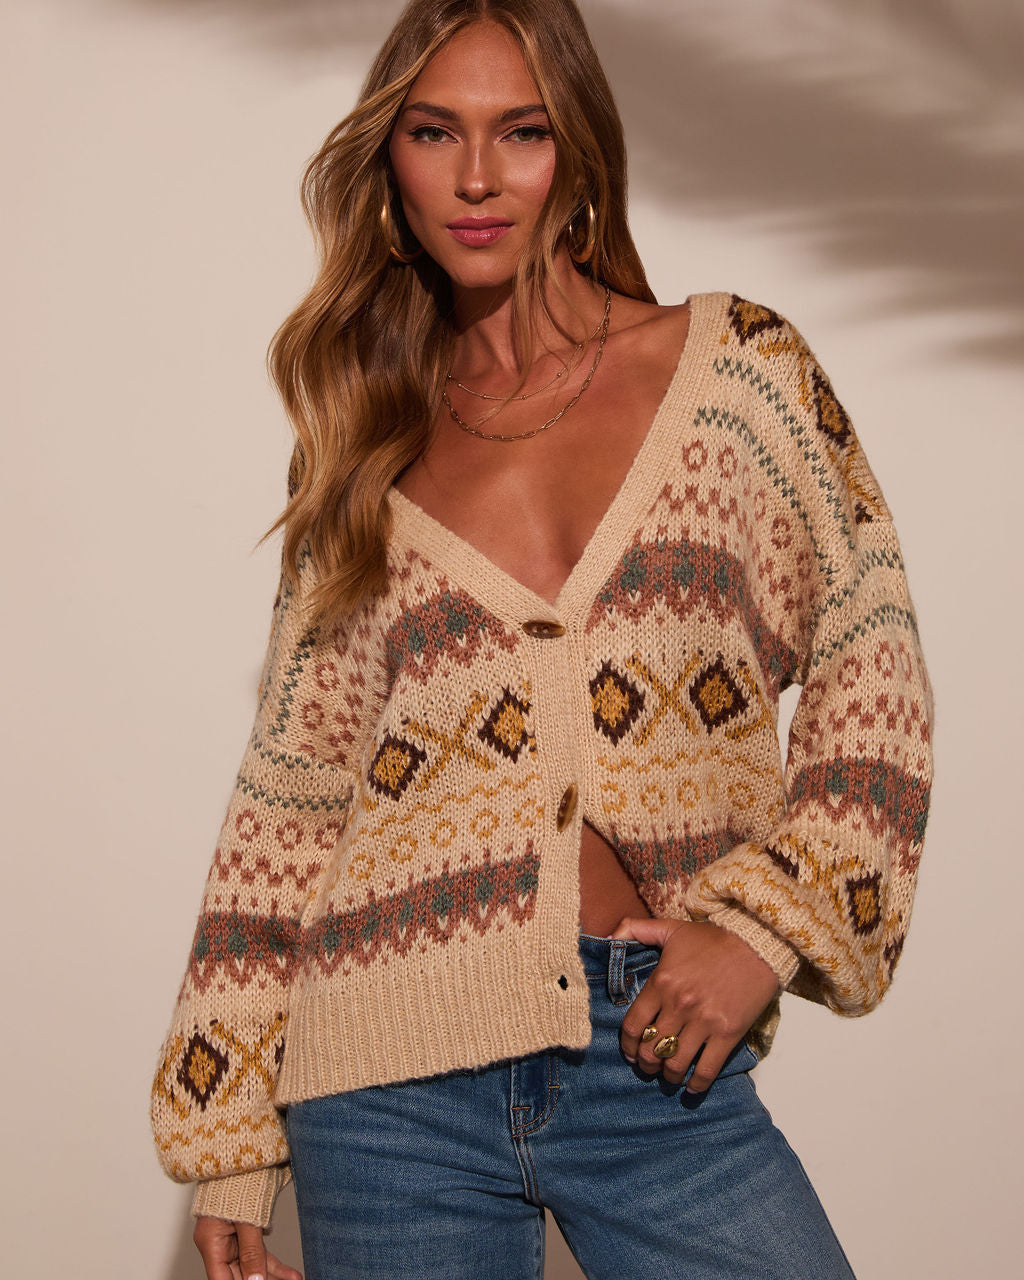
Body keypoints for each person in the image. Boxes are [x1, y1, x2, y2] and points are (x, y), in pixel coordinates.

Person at [150, 2, 934, 1277]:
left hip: (654, 1050)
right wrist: (231, 1135)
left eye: (519, 131)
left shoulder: (736, 371)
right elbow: (290, 798)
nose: (476, 177)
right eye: (433, 132)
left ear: (576, 150)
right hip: (384, 1085)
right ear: (388, 164)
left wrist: (767, 927)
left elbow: (871, 657)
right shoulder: (362, 447)